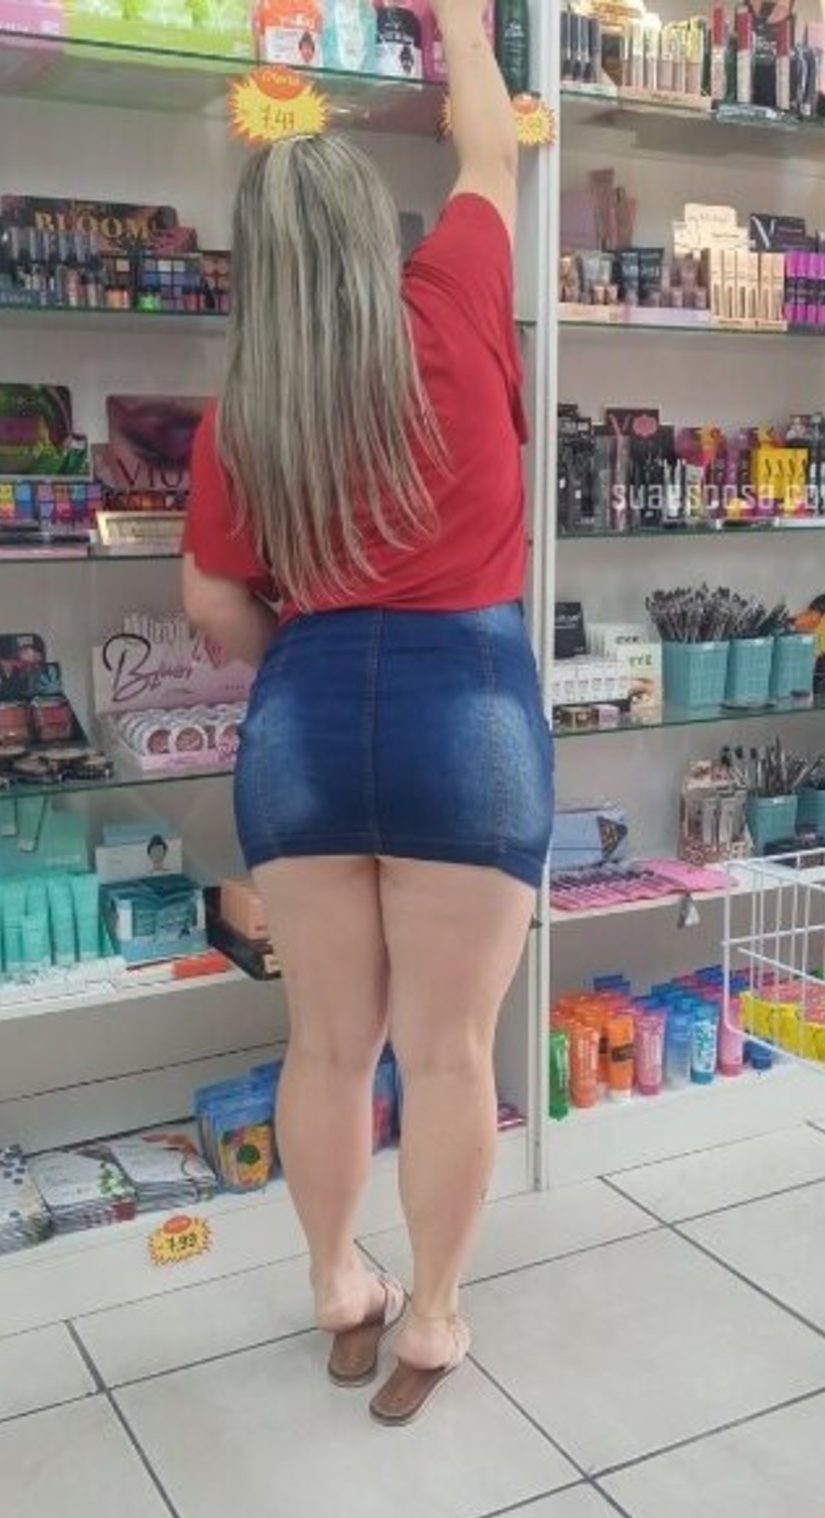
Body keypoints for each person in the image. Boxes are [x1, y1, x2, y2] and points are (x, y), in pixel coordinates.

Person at [182, 0, 552, 1425]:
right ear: (369, 232)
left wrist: (309, 653)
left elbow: (215, 607)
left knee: (327, 1047)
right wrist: (459, 19)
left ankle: (340, 1285)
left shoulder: (244, 410)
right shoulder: (450, 297)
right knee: (447, 1051)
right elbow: (488, 152)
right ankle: (435, 1318)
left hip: (307, 723)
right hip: (470, 708)